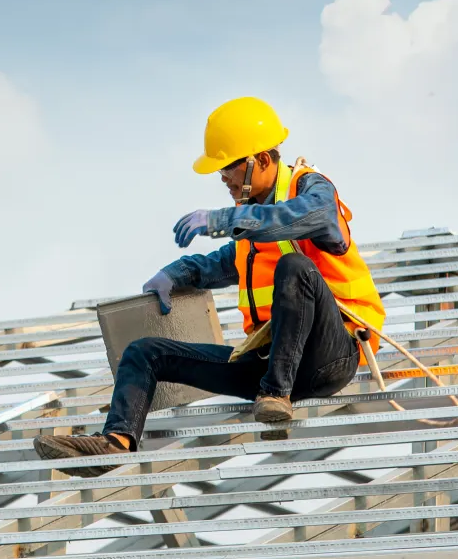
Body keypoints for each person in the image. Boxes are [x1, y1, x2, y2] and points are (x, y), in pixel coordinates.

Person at [34, 97, 384, 475]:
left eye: (228, 167)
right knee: (143, 353)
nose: (223, 179)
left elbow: (312, 216)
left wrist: (224, 218)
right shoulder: (252, 229)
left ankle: (277, 393)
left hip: (331, 358)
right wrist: (177, 273)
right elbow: (222, 262)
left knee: (294, 267)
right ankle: (114, 443)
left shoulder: (309, 188)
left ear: (262, 160)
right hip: (269, 368)